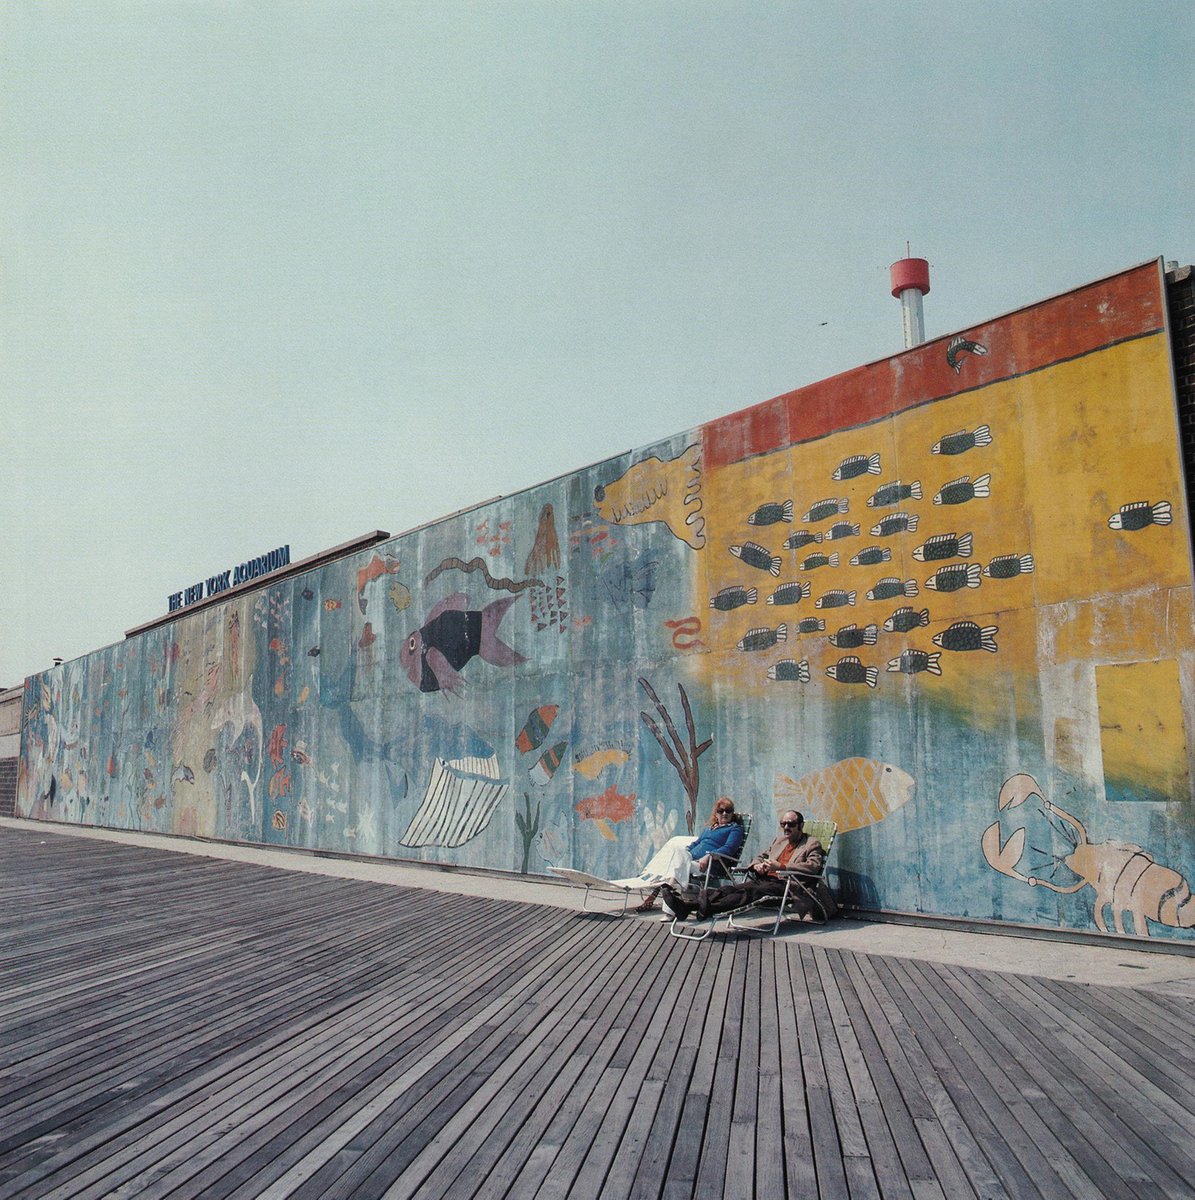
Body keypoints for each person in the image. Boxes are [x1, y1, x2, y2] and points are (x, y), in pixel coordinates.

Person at [660, 810, 829, 922]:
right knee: (730, 890)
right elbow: (760, 856)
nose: (786, 827)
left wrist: (783, 868)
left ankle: (692, 907)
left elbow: (813, 867)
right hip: (765, 880)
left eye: (791, 824)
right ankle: (687, 907)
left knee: (748, 893)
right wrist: (757, 866)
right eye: (783, 823)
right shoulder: (779, 841)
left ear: (800, 825)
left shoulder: (811, 844)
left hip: (787, 886)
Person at [623, 798, 745, 914]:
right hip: (691, 859)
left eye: (728, 811)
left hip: (710, 864)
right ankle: (668, 904)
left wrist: (708, 857)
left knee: (676, 863)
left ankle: (661, 901)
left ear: (732, 813)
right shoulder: (710, 829)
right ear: (716, 813)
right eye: (721, 810)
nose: (724, 813)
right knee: (676, 854)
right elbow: (696, 843)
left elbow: (729, 848)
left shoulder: (735, 829)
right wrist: (686, 850)